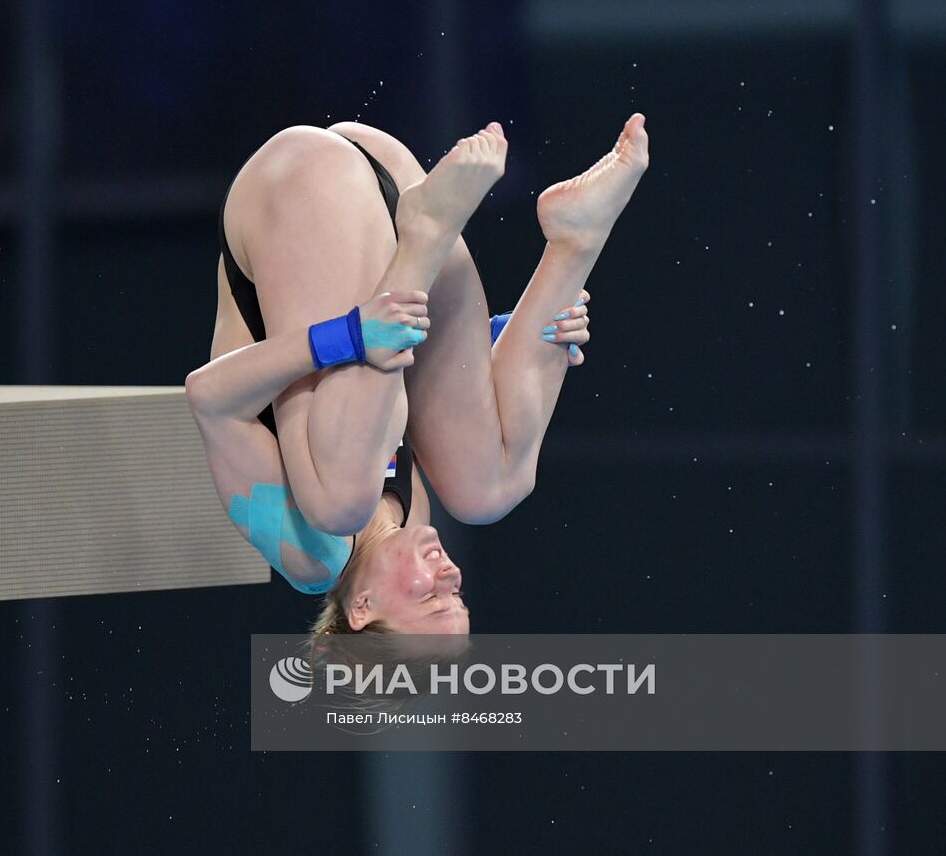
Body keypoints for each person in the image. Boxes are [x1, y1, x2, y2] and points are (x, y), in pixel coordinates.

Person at [184, 114, 650, 635]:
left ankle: (426, 233)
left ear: (362, 609)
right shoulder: (412, 516)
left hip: (300, 182)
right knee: (487, 492)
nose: (449, 572)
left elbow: (209, 398)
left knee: (339, 506)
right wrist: (523, 334)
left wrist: (346, 337)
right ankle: (574, 241)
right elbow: (407, 381)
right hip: (385, 184)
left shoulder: (309, 556)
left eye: (431, 598)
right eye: (457, 593)